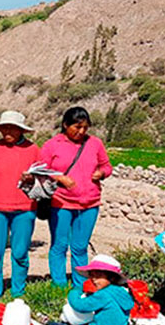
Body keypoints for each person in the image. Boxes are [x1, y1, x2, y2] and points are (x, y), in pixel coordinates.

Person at [40, 107, 112, 288]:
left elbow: (107, 166)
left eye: (85, 128)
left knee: (80, 246)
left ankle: (80, 284)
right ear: (65, 125)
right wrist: (59, 177)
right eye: (77, 127)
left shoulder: (95, 143)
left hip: (90, 204)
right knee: (59, 245)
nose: (81, 132)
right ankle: (59, 284)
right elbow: (40, 170)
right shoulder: (52, 145)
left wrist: (101, 173)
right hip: (61, 203)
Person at [0, 111, 40, 297]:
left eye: (12, 128)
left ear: (21, 130)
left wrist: (32, 178)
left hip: (25, 209)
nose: (8, 131)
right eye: (5, 128)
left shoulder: (34, 150)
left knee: (20, 253)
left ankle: (18, 292)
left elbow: (45, 178)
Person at [45, 254, 134, 325]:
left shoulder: (103, 295)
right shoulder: (122, 293)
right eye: (92, 276)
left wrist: (75, 291)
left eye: (98, 276)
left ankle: (52, 324)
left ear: (111, 277)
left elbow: (79, 305)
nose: (94, 280)